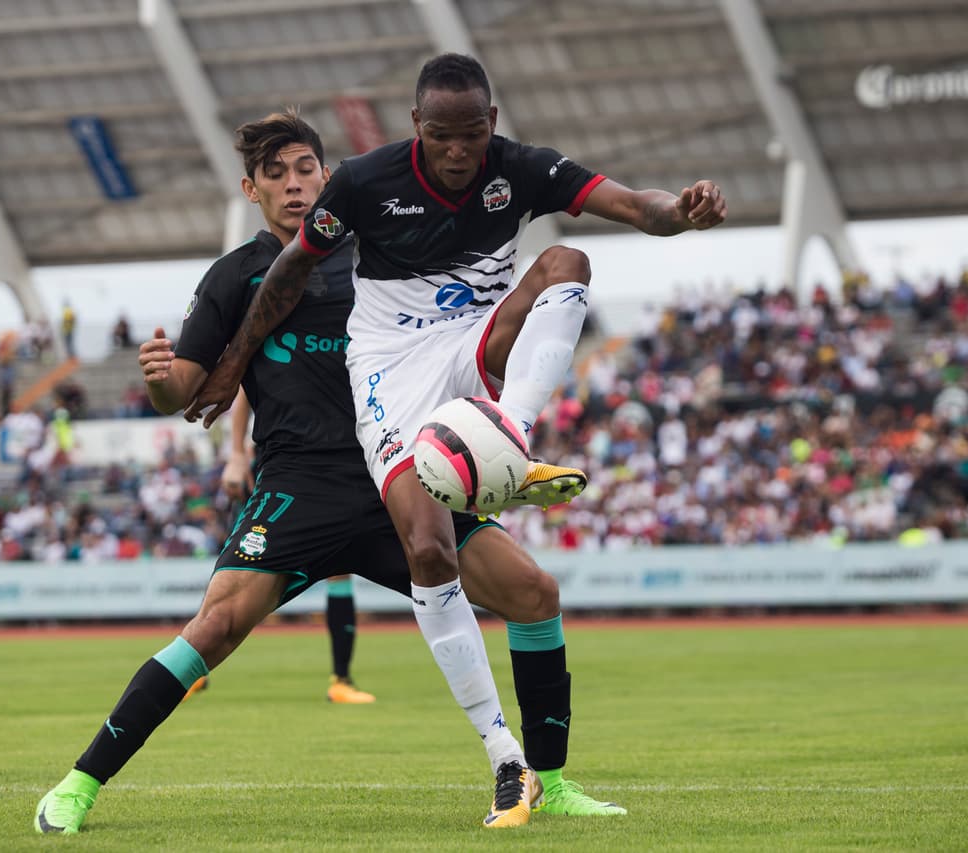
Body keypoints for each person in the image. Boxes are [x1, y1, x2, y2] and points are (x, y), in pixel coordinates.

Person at [35, 109, 619, 837]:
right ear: (251, 189)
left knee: (533, 592)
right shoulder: (235, 276)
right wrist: (158, 379)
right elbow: (185, 389)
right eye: (275, 174)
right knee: (214, 626)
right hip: (300, 487)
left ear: (327, 173)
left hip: (403, 472)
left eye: (305, 168)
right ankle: (79, 783)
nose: (293, 185)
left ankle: (552, 782)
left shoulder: (378, 251)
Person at [185, 44, 724, 789]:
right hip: (390, 368)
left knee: (567, 264)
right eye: (441, 135)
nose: (458, 150)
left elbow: (636, 205)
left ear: (491, 122)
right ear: (416, 127)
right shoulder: (366, 181)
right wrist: (235, 360)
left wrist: (681, 214)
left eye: (471, 133)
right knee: (428, 549)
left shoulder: (522, 167)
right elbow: (290, 270)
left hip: (471, 344)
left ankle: (517, 440)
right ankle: (504, 755)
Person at [223, 387, 374, 703]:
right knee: (238, 568)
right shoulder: (271, 342)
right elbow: (245, 395)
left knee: (341, 567)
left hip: (334, 464)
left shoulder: (356, 343)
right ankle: (190, 666)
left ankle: (341, 680)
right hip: (279, 468)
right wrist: (237, 452)